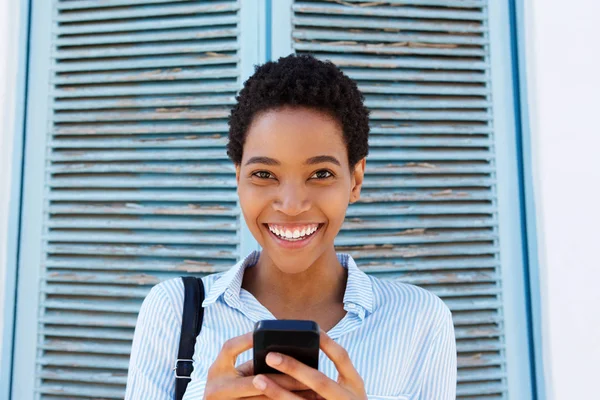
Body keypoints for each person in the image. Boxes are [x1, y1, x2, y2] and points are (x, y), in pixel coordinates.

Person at [124, 54, 456, 400]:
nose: (292, 206)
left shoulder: (420, 320)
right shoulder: (173, 311)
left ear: (355, 179)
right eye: (264, 174)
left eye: (321, 174)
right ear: (239, 178)